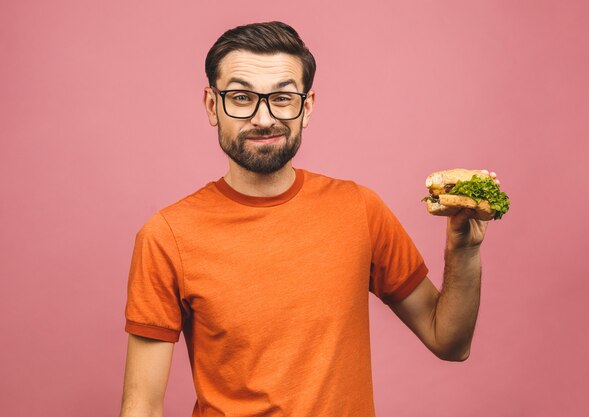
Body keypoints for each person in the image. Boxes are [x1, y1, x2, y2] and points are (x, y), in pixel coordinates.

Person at [119, 21, 500, 417]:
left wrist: (464, 249)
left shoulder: (359, 209)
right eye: (241, 97)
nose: (264, 119)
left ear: (308, 106)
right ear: (213, 106)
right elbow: (141, 405)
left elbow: (450, 342)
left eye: (282, 98)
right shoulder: (166, 235)